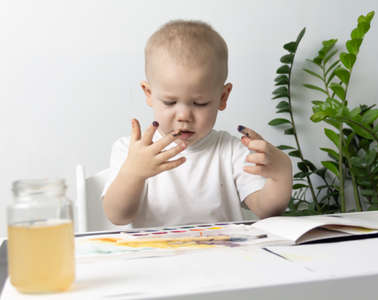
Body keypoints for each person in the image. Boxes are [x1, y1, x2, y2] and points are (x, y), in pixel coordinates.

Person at [102, 20, 292, 228]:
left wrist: (281, 176)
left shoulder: (230, 151)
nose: (183, 115)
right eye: (170, 102)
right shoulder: (132, 150)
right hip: (157, 257)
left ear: (222, 97)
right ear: (149, 93)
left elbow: (266, 210)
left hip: (223, 255)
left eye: (200, 103)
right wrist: (133, 173)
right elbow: (118, 217)